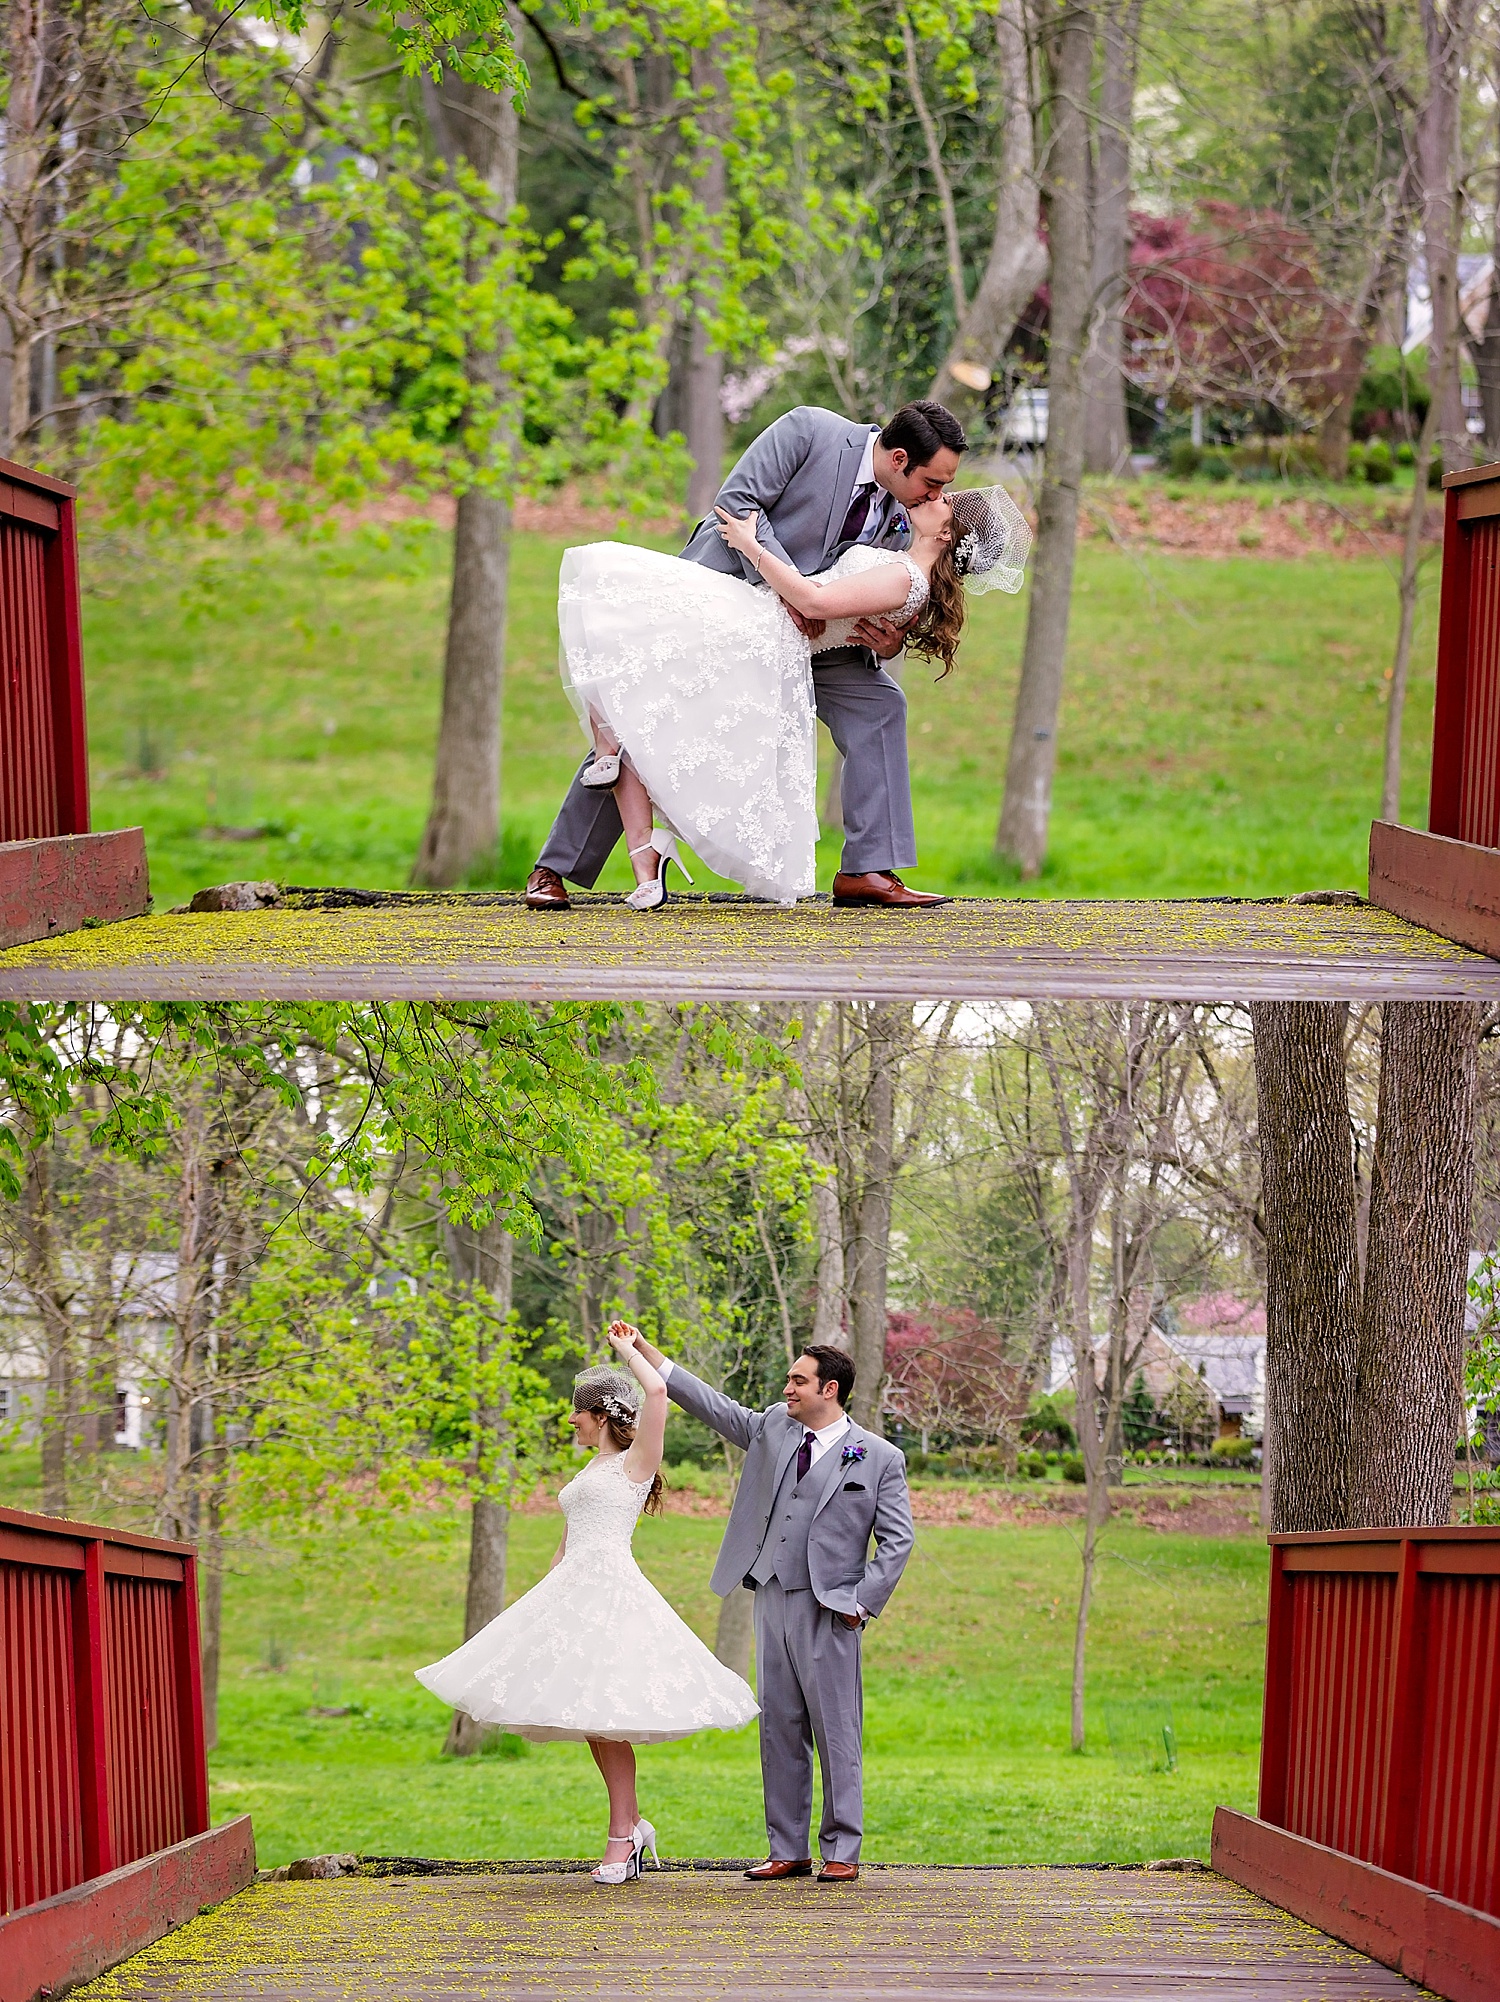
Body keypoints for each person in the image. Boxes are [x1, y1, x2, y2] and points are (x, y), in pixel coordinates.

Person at [527, 400, 1025, 911]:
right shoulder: (810, 431)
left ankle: (867, 870)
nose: (940, 495)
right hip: (733, 600)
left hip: (816, 635)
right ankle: (557, 867)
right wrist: (793, 593)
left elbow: (899, 588)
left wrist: (890, 639)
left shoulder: (914, 512)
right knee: (650, 714)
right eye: (933, 482)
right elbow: (737, 502)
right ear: (899, 459)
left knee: (881, 704)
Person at [414, 1325, 758, 1884]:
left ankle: (623, 1838)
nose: (570, 1421)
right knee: (596, 1722)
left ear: (600, 1415)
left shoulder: (635, 1462)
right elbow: (571, 1536)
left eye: (577, 1412)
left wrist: (629, 1352)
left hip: (613, 1595)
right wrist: (543, 1595)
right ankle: (635, 1826)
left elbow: (658, 1395)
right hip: (575, 1593)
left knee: (608, 1718)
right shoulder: (590, 1470)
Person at [619, 1327, 915, 1884]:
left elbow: (898, 1541)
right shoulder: (774, 1428)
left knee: (836, 1730)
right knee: (779, 1726)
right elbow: (708, 1402)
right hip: (771, 1595)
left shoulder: (878, 1458)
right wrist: (641, 1349)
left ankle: (842, 1852)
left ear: (830, 1389)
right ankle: (788, 1848)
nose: (788, 1389)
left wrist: (861, 1602)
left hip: (832, 1609)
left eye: (798, 1381)